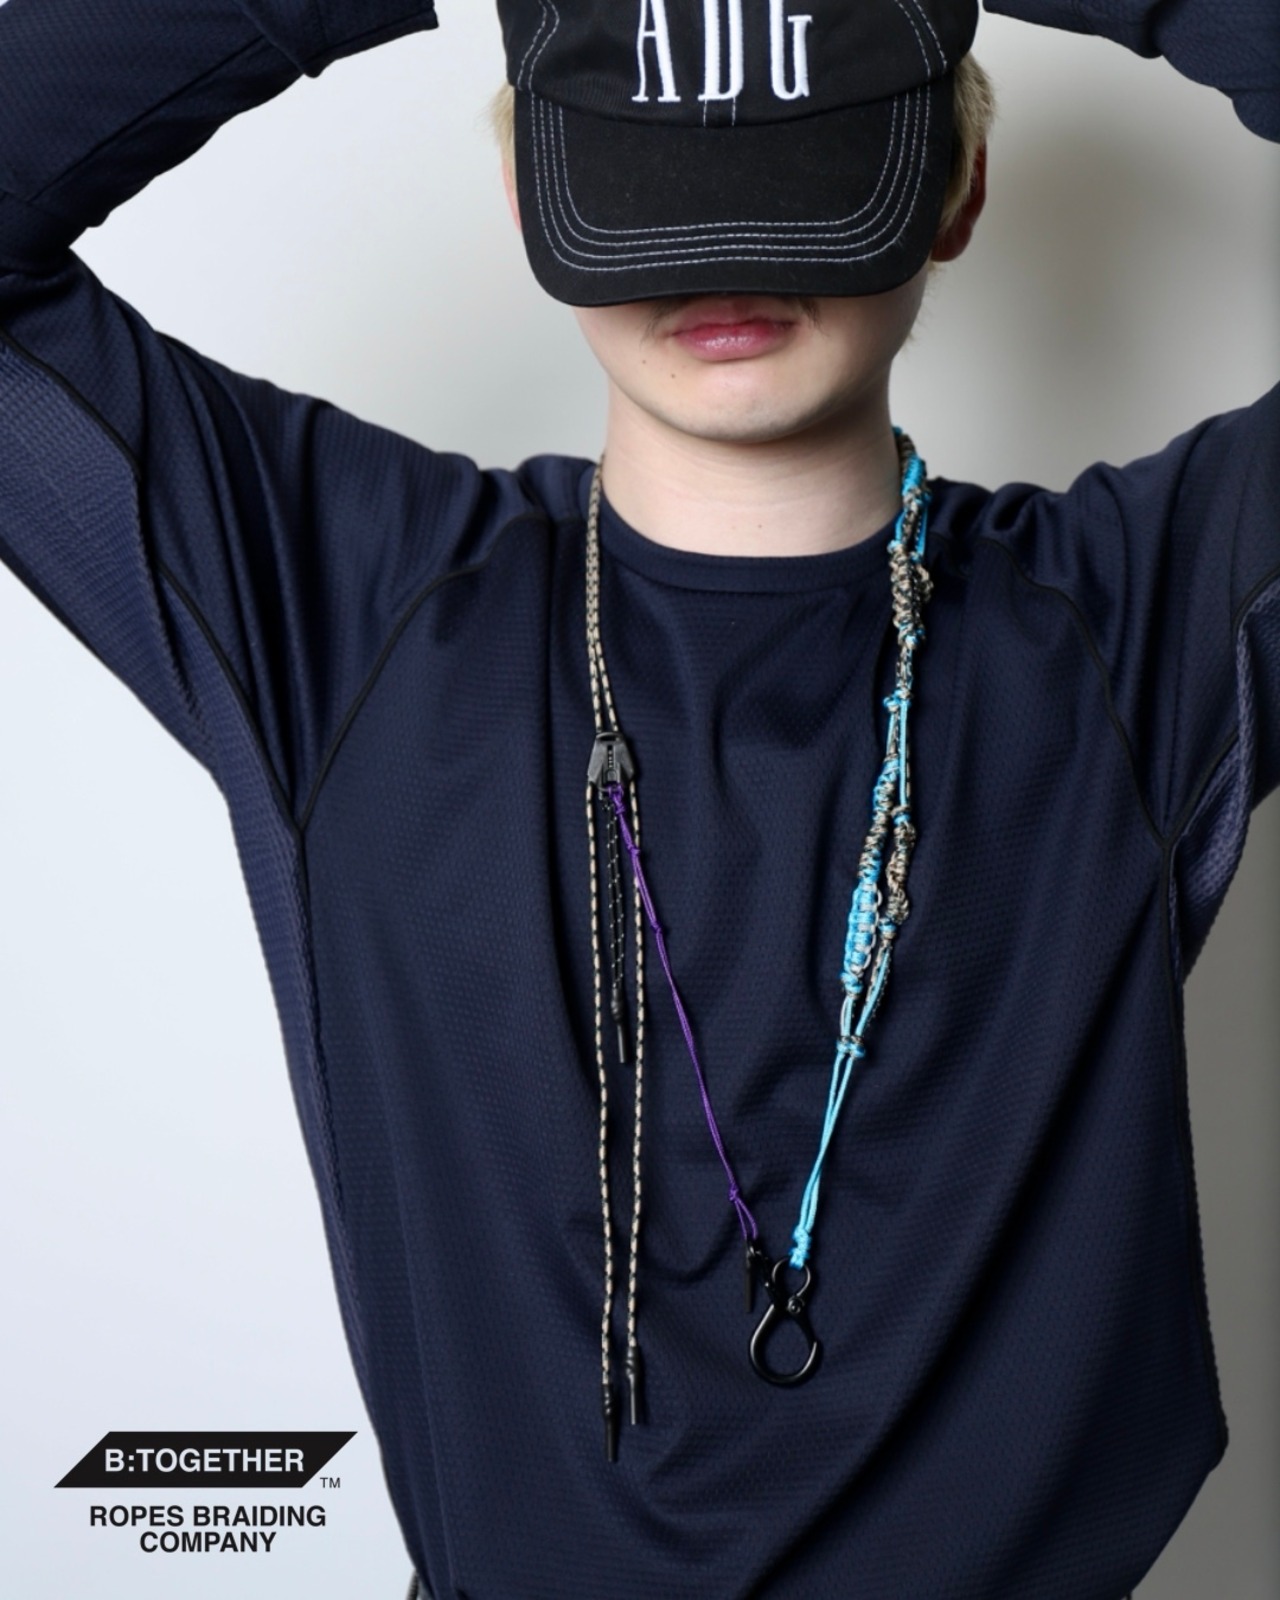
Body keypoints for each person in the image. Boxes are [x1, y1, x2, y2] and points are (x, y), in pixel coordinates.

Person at [0, 0, 1275, 1596]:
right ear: (531, 201)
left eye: (799, 179)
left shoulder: (1136, 624)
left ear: (955, 188)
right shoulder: (350, 611)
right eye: (652, 190)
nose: (722, 263)